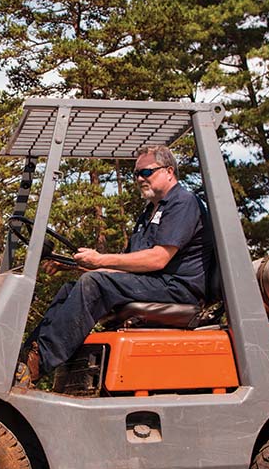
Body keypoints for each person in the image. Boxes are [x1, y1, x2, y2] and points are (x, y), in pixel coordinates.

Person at [19, 144, 215, 383]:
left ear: (169, 171)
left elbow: (158, 258)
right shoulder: (149, 214)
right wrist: (70, 265)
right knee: (71, 288)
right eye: (136, 174)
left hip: (177, 289)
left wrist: (99, 260)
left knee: (95, 283)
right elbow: (122, 268)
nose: (139, 179)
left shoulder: (182, 203)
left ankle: (38, 364)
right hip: (153, 283)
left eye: (146, 172)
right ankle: (25, 356)